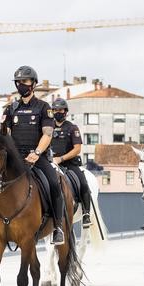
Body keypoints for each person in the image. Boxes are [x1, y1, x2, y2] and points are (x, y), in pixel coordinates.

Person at [1, 65, 65, 245]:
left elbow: (47, 134)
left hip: (38, 158)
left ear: (33, 84)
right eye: (18, 82)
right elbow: (4, 133)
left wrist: (36, 153)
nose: (21, 85)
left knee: (53, 183)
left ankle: (57, 227)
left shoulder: (44, 108)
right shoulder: (10, 109)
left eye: (25, 82)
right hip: (16, 159)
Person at [50, 97, 92, 228]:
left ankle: (86, 214)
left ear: (66, 111)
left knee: (83, 184)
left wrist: (61, 159)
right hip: (50, 163)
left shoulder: (72, 128)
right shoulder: (47, 128)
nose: (58, 112)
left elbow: (77, 149)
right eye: (55, 110)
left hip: (69, 164)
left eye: (60, 110)